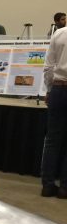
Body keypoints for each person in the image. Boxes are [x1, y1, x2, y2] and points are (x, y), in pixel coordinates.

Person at [40, 25, 67, 198]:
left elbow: (49, 66)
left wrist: (49, 89)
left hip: (59, 88)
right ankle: (65, 188)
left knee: (52, 140)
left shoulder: (59, 33)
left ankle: (48, 185)